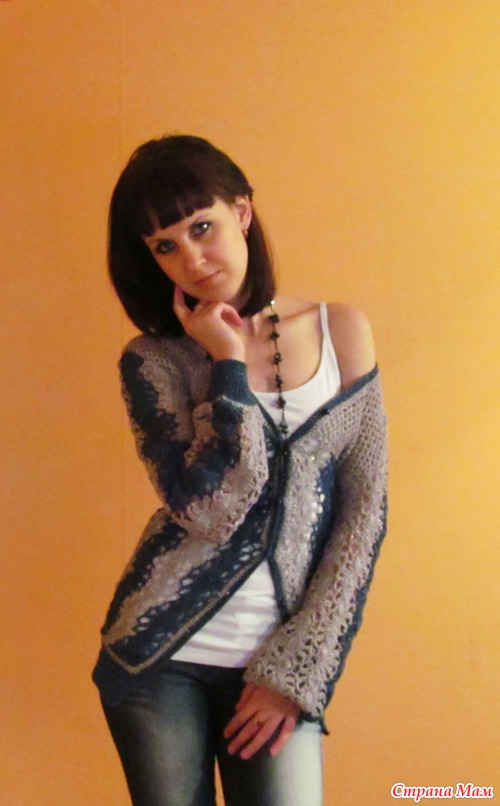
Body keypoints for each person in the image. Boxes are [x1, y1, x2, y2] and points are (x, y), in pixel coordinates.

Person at [92, 134, 388, 806]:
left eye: (202, 227)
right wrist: (227, 364)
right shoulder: (155, 360)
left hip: (279, 658)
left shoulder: (342, 330)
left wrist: (298, 668)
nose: (191, 259)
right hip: (158, 659)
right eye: (165, 246)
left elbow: (364, 512)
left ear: (243, 212)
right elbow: (209, 510)